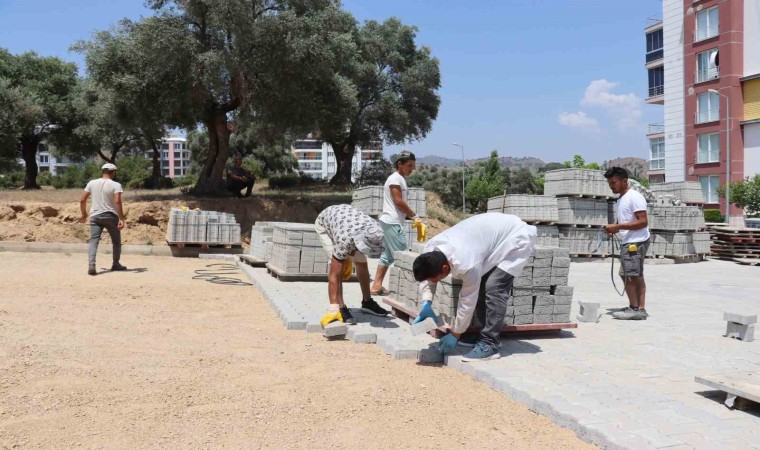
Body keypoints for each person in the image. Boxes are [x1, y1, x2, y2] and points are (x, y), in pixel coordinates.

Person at [412, 213, 536, 361]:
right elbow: (428, 279)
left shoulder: (466, 263)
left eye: (435, 279)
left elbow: (467, 302)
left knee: (494, 287)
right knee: (483, 283)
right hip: (492, 234)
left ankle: (490, 344)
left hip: (515, 238)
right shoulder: (431, 249)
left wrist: (455, 334)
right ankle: (482, 334)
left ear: (445, 268)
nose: (433, 282)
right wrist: (426, 302)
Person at [315, 204, 390, 327]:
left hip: (348, 221)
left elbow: (362, 251)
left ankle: (367, 302)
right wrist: (333, 308)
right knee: (338, 268)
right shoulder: (345, 240)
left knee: (361, 263)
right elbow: (333, 275)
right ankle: (340, 307)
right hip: (325, 222)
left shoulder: (375, 231)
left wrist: (352, 255)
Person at [604, 167, 651, 320]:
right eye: (610, 183)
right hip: (629, 240)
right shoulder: (621, 199)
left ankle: (636, 309)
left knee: (630, 275)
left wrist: (617, 227)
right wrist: (615, 229)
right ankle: (636, 307)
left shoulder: (634, 197)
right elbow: (627, 220)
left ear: (624, 181)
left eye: (614, 183)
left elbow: (643, 222)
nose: (612, 186)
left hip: (636, 242)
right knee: (632, 274)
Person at [370, 150, 418, 296]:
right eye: (409, 165)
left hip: (390, 221)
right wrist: (414, 216)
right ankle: (406, 292)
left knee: (388, 256)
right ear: (400, 164)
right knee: (403, 255)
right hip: (392, 222)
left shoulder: (400, 179)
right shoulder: (395, 179)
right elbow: (398, 202)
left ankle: (376, 286)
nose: (412, 168)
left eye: (413, 165)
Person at [79, 163, 127, 275]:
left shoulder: (92, 183)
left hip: (95, 216)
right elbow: (118, 202)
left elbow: (82, 200)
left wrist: (83, 214)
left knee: (93, 241)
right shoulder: (116, 185)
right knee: (116, 241)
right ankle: (115, 264)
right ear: (113, 172)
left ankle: (91, 265)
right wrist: (121, 218)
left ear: (102, 172)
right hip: (111, 216)